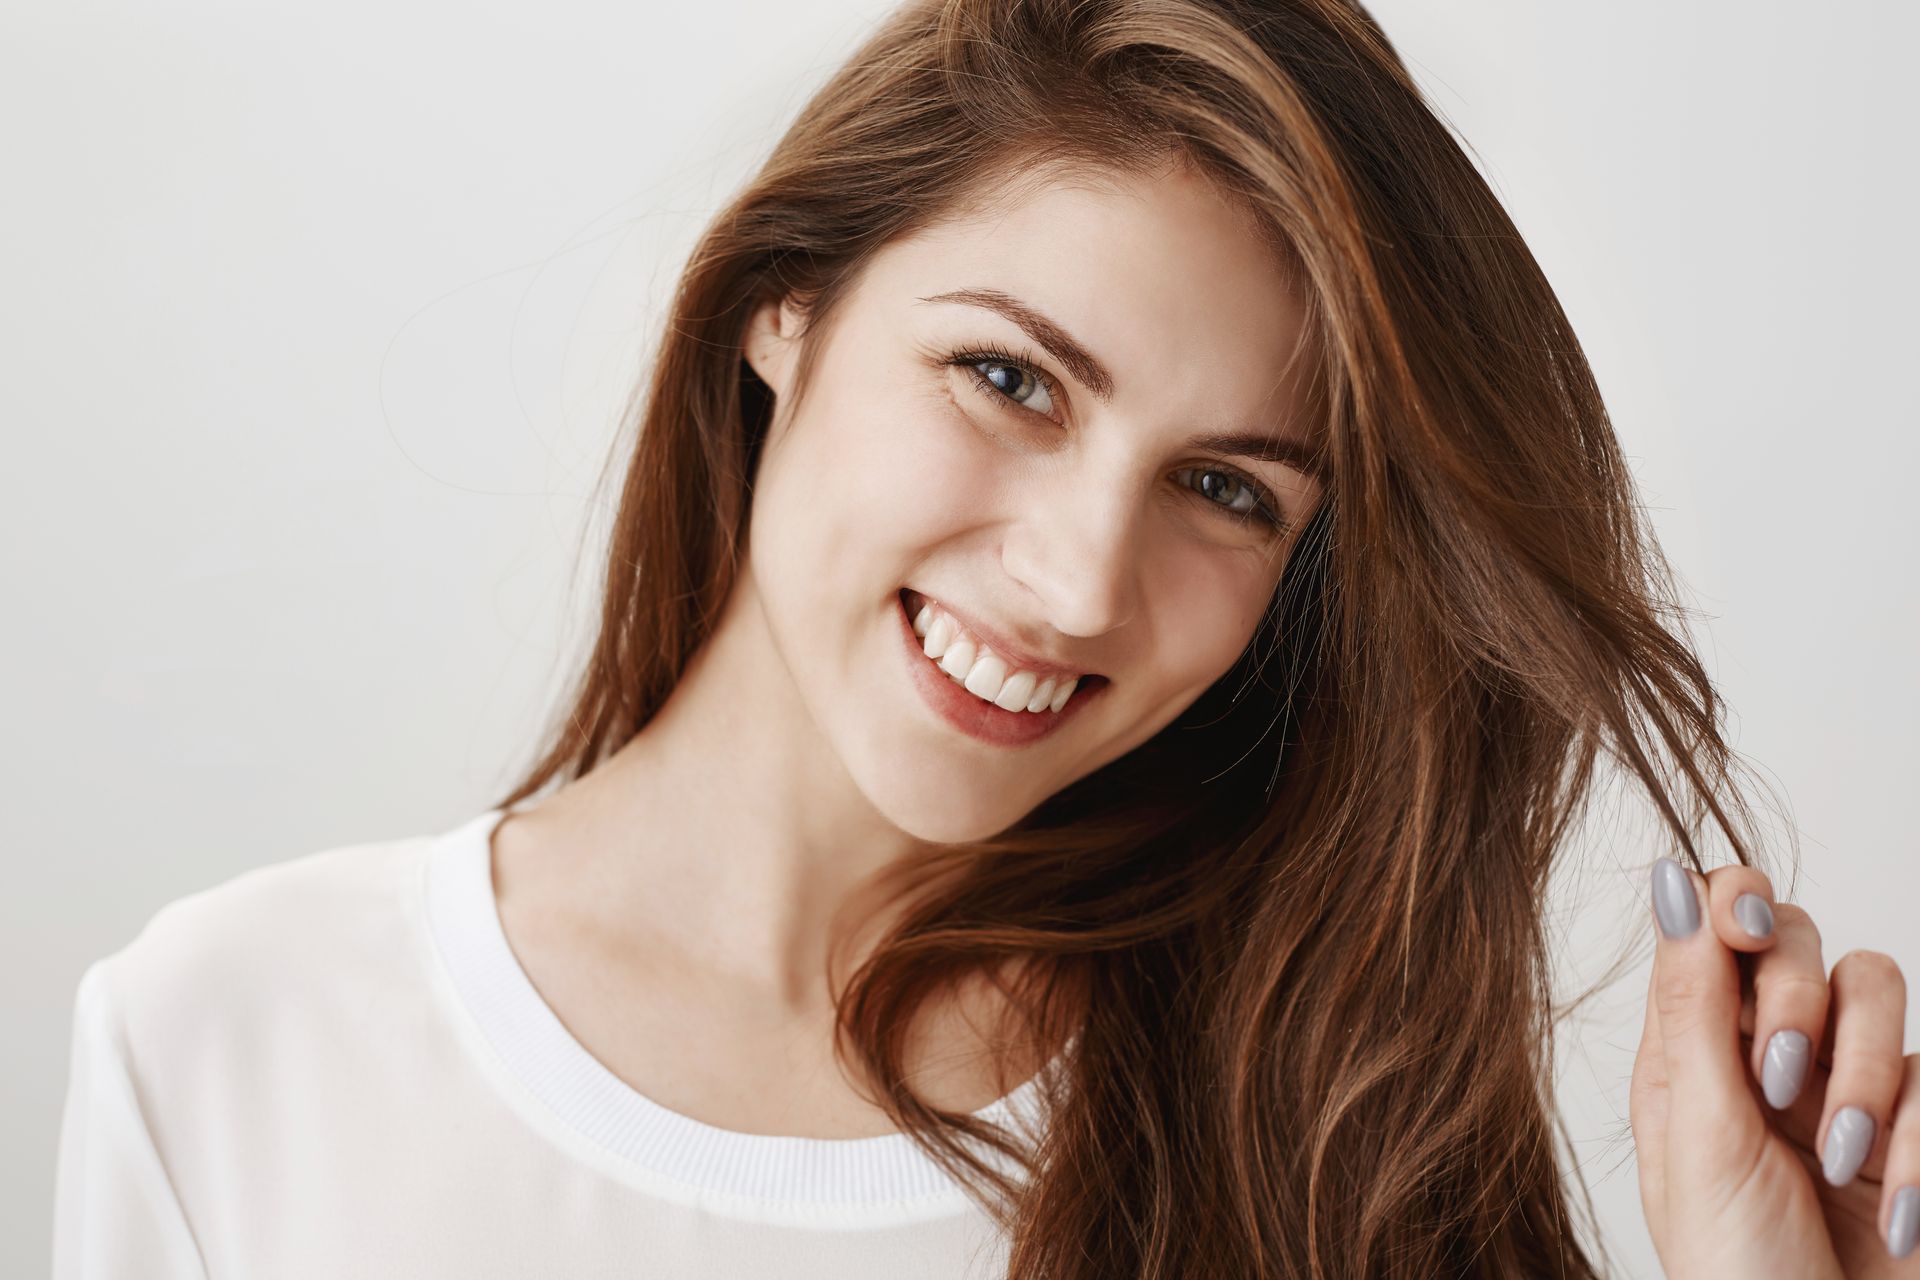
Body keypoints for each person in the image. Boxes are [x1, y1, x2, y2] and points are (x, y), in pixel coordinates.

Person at [50, 0, 1918, 1275]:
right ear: (785, 311)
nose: (1081, 583)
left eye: (1232, 491)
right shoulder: (231, 1044)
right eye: (1010, 377)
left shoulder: (1323, 1118)